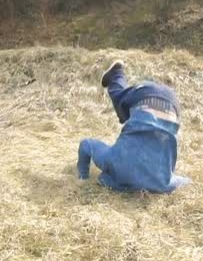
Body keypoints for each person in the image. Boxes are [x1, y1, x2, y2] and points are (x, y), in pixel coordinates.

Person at [77, 60, 191, 193]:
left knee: (124, 107)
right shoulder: (112, 162)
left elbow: (186, 181)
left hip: (170, 103)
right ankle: (117, 80)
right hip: (162, 99)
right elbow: (86, 145)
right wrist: (82, 176)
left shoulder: (164, 182)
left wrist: (82, 179)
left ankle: (117, 73)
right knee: (122, 105)